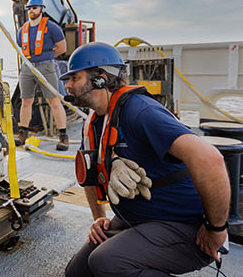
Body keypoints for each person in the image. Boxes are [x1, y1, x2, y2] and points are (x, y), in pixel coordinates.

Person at [61, 42, 230, 277]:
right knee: (77, 272)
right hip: (138, 220)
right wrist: (100, 219)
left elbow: (211, 160)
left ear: (100, 79)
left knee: (108, 261)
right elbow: (90, 173)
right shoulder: (95, 121)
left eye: (74, 78)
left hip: (187, 227)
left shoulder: (140, 111)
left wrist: (216, 229)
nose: (67, 85)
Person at [15, 0, 69, 150]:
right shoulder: (22, 30)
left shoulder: (52, 28)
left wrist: (48, 58)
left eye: (35, 8)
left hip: (46, 67)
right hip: (27, 68)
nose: (32, 11)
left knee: (54, 101)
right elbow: (21, 49)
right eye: (30, 8)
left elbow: (62, 48)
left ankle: (63, 136)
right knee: (26, 101)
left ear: (41, 9)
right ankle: (23, 133)